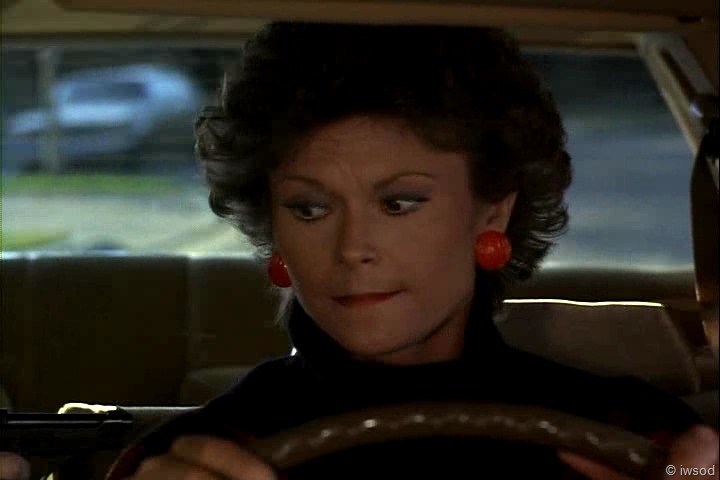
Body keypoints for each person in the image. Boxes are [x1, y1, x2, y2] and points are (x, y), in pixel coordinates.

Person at [2, 22, 717, 480]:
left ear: (493, 209)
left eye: (399, 203)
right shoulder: (196, 458)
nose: (352, 250)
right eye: (310, 208)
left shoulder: (634, 434)